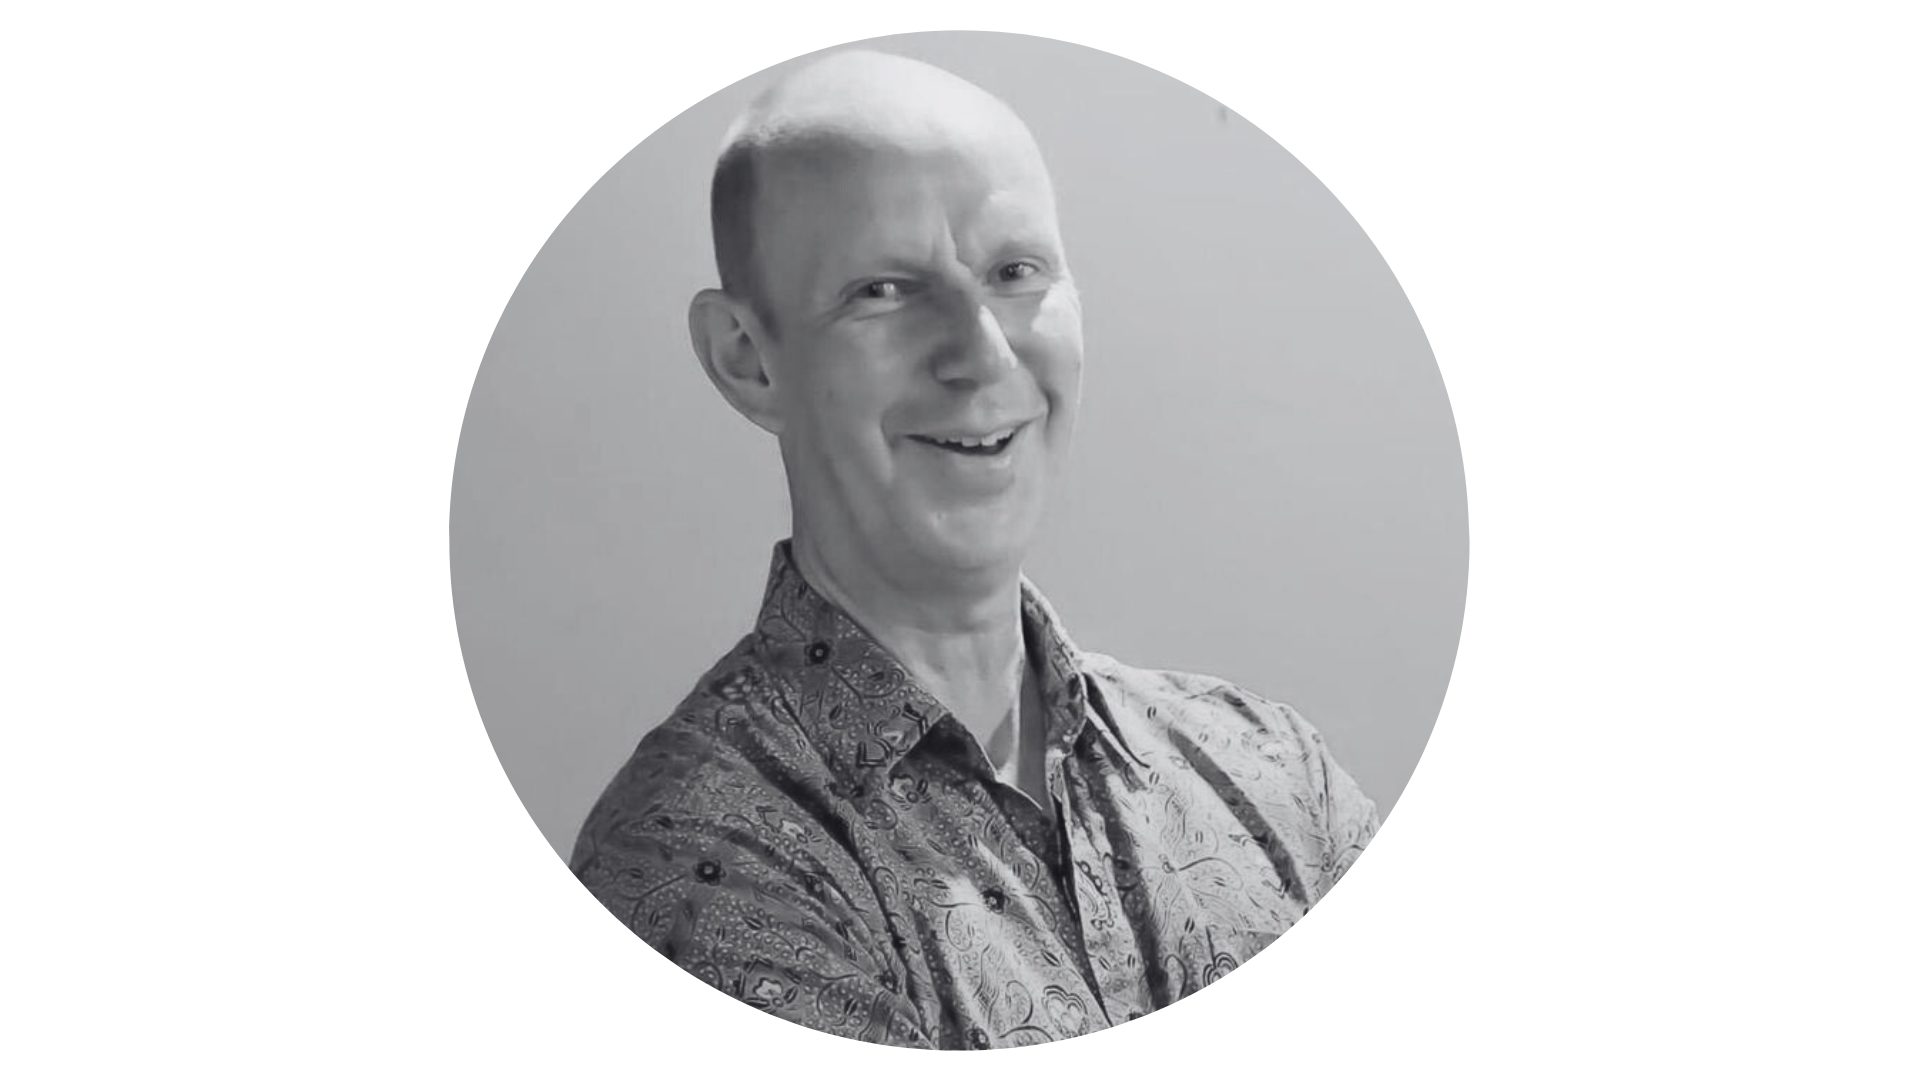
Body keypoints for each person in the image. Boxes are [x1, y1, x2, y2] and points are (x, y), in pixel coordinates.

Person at [569, 49, 1378, 1049]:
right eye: (882, 289)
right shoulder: (693, 857)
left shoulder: (1271, 770)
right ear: (748, 358)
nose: (981, 351)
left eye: (1015, 273)